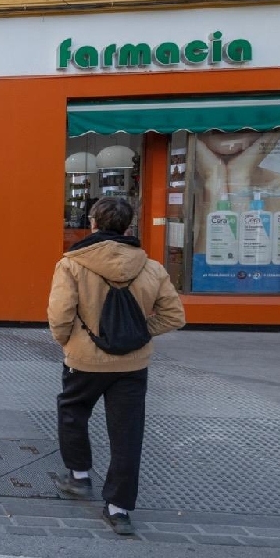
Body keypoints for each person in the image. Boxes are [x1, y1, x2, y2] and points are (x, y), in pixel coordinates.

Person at [47, 196, 185, 536]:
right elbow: (174, 316)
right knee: (127, 432)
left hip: (85, 360)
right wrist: (138, 333)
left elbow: (60, 314)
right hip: (133, 364)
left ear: (93, 222)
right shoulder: (152, 267)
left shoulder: (72, 264)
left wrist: (68, 342)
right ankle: (119, 508)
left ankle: (78, 475)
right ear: (128, 226)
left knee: (72, 410)